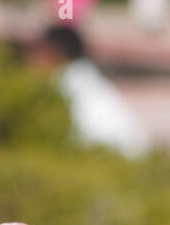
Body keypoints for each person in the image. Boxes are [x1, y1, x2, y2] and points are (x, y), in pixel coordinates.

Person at [27, 25, 150, 159]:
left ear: (53, 51)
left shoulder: (63, 85)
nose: (32, 60)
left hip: (109, 161)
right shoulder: (86, 80)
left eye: (38, 52)